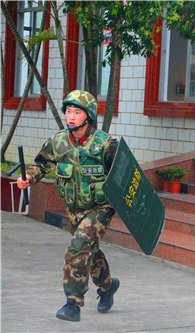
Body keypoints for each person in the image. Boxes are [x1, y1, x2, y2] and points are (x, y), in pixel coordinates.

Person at [16, 90, 120, 322]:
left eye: (77, 112)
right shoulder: (58, 142)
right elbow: (41, 165)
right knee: (88, 252)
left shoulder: (105, 144)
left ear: (88, 115)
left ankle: (72, 304)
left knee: (77, 249)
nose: (71, 117)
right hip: (74, 209)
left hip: (100, 208)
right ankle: (107, 286)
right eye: (68, 112)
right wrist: (29, 178)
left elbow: (122, 177)